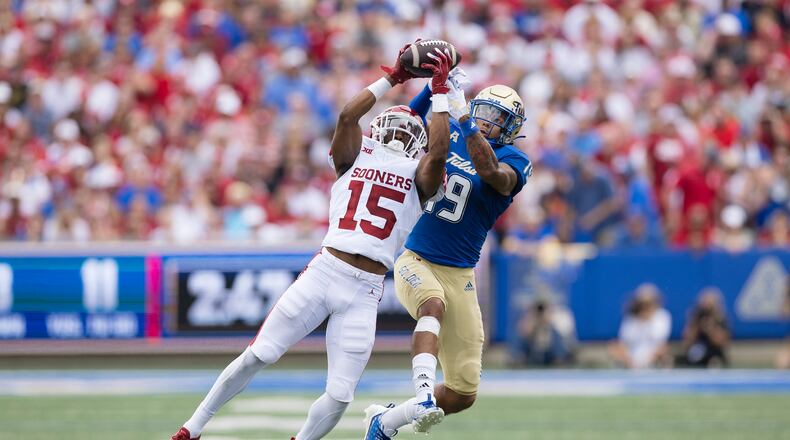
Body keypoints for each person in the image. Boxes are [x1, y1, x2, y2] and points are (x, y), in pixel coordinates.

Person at [170, 43, 453, 440]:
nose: (401, 129)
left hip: (366, 287)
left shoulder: (420, 172)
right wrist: (392, 77)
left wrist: (438, 93)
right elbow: (347, 114)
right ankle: (192, 428)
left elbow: (439, 152)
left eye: (408, 127)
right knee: (259, 354)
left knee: (340, 396)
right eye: (396, 122)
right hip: (326, 270)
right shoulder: (356, 155)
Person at [364, 74, 533, 438]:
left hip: (461, 274)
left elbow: (492, 174)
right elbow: (408, 119)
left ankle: (388, 421)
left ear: (511, 129)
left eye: (499, 118)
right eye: (485, 112)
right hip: (417, 259)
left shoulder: (514, 159)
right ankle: (423, 393)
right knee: (432, 303)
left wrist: (466, 121)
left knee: (462, 393)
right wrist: (435, 87)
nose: (489, 122)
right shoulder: (452, 131)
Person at [608, 283, 672, 369]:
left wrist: (646, 362)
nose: (645, 307)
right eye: (642, 303)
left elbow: (662, 346)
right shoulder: (630, 319)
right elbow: (622, 344)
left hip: (654, 363)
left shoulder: (662, 316)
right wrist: (631, 362)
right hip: (631, 363)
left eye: (649, 303)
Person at [679, 288, 730, 367]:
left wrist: (710, 329)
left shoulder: (721, 318)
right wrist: (695, 324)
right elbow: (687, 340)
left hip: (714, 352)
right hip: (697, 349)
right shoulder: (696, 317)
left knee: (715, 360)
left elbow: (722, 342)